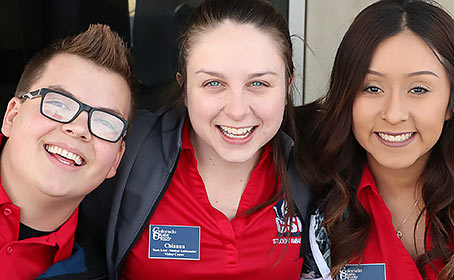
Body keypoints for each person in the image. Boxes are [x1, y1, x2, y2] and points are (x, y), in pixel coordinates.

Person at [79, 0, 312, 279]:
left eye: (258, 84)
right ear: (184, 87)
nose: (237, 110)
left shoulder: (316, 166)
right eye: (213, 83)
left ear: (287, 86)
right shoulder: (128, 150)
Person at [296, 0, 454, 279]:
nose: (394, 114)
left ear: (450, 102)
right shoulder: (307, 195)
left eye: (418, 89)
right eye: (372, 87)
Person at [0, 24, 135, 279]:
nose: (78, 128)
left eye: (106, 121)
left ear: (116, 159)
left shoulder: (96, 268)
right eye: (59, 104)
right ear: (12, 116)